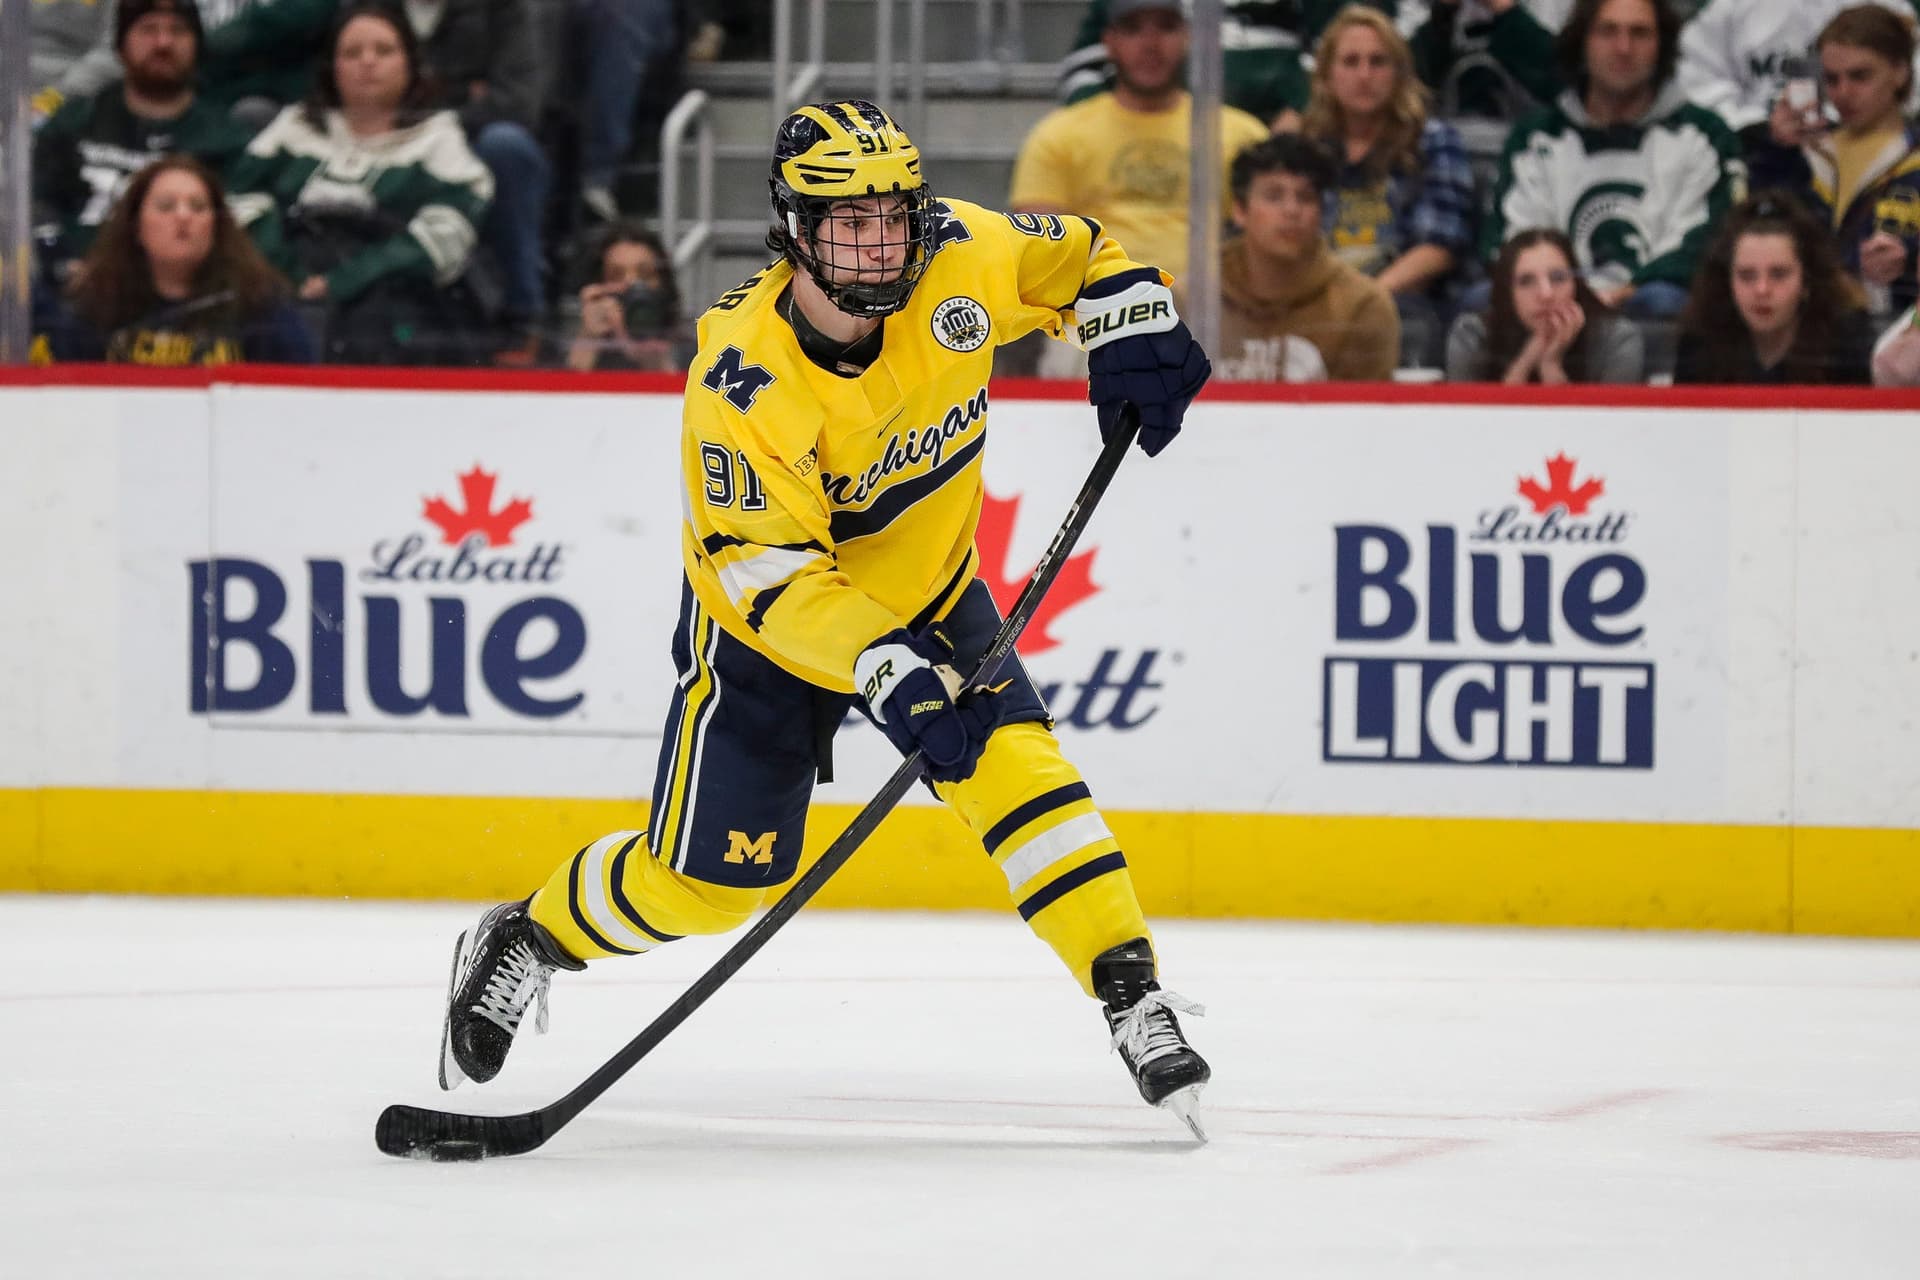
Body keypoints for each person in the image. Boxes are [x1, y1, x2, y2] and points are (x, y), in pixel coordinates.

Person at [436, 100, 1216, 1135]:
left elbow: (1080, 257)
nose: (880, 243)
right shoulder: (742, 378)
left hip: (929, 589)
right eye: (849, 222)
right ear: (796, 228)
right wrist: (885, 671)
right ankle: (533, 936)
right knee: (709, 887)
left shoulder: (961, 257)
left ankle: (1132, 993)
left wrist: (1132, 320)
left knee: (1020, 770)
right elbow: (766, 572)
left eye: (893, 217)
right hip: (767, 633)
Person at [225, 2, 496, 365]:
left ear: (410, 63)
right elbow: (239, 204)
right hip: (284, 290)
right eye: (352, 53)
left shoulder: (437, 138)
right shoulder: (294, 127)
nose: (367, 62)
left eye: (383, 51)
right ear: (332, 67)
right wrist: (289, 273)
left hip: (395, 310)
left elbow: (445, 236)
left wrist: (344, 281)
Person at [1482, 0, 1743, 320]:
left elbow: (1709, 245)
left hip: (1653, 308)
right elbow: (1509, 242)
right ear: (1582, 41)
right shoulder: (1536, 137)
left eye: (1640, 33)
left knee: (1663, 301)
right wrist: (1564, 294)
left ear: (1662, 45)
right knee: (1482, 299)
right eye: (1608, 31)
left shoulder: (1705, 135)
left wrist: (1630, 290)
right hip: (1548, 303)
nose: (1623, 47)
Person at [1012, 0, 1272, 295]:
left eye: (1166, 27)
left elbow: (1269, 240)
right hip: (1093, 309)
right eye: (1133, 29)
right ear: (1109, 42)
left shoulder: (1241, 133)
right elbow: (1037, 247)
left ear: (1187, 36)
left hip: (1214, 307)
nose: (1150, 44)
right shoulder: (1059, 135)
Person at [1287, 6, 1477, 366]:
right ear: (1326, 75)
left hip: (1405, 302)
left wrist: (1365, 298)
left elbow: (1440, 247)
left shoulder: (1434, 141)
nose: (1364, 75)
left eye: (1378, 62)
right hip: (1318, 297)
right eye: (1351, 62)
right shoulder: (1304, 148)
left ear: (1399, 74)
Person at [30, 0, 253, 272]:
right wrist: (60, 258)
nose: (163, 43)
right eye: (148, 30)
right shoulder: (74, 121)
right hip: (74, 282)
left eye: (178, 31)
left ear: (197, 46)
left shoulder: (226, 139)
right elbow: (38, 201)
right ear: (121, 45)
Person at [40, 155, 314, 364]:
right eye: (165, 206)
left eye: (198, 207)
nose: (184, 217)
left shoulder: (260, 305)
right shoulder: (94, 305)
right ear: (136, 227)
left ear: (216, 226)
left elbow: (297, 395)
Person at [1750, 5, 1920, 319]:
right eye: (1831, 79)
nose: (1843, 92)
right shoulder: (1801, 154)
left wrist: (1907, 259)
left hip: (1897, 333)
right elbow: (1756, 231)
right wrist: (1776, 154)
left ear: (1900, 71)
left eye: (1860, 76)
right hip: (1804, 330)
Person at [1217, 134, 1401, 380]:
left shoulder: (1363, 307)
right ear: (1240, 210)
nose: (1291, 211)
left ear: (1321, 212)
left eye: (1305, 197)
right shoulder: (1190, 300)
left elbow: (1365, 416)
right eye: (1274, 196)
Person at [1673, 191, 1877, 383]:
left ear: (1807, 281)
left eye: (1779, 275)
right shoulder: (1699, 343)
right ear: (1726, 281)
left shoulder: (1845, 343)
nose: (1762, 289)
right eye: (1746, 276)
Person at [1444, 227, 1644, 381]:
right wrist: (1527, 360)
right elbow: (1475, 429)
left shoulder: (1617, 339)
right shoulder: (1472, 335)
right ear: (1507, 293)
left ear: (1577, 285)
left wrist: (1551, 366)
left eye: (1558, 278)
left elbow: (1609, 431)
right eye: (1526, 281)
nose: (1546, 294)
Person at [563, 222, 692, 372]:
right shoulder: (573, 344)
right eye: (616, 276)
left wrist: (655, 362)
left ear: (663, 283)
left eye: (645, 275)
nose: (633, 285)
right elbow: (559, 392)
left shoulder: (692, 348)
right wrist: (589, 340)